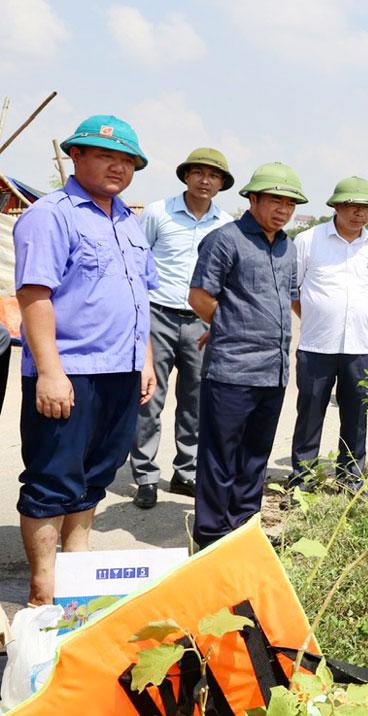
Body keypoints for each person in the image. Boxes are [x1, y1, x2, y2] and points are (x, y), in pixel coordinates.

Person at [12, 115, 157, 604]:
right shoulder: (50, 215)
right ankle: (42, 589)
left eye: (126, 161)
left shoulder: (128, 221)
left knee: (97, 470)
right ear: (76, 156)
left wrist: (146, 360)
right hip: (70, 371)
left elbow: (141, 299)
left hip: (121, 370)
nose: (118, 167)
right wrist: (50, 372)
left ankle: (77, 565)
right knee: (52, 476)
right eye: (105, 156)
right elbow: (35, 297)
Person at [188, 162, 307, 548]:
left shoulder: (287, 247)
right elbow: (200, 297)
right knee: (220, 459)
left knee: (254, 460)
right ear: (252, 199)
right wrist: (228, 327)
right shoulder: (225, 239)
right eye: (275, 200)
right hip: (232, 370)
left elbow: (286, 299)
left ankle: (242, 534)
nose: (283, 210)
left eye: (290, 203)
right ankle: (210, 538)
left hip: (273, 373)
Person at [129, 148, 235, 508]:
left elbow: (225, 278)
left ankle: (185, 472)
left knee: (196, 400)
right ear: (186, 176)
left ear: (222, 184)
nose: (205, 180)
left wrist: (217, 321)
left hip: (200, 323)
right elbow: (138, 264)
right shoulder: (158, 212)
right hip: (158, 315)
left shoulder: (224, 224)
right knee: (149, 398)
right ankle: (145, 475)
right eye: (199, 172)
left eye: (214, 175)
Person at [288, 177, 368, 494]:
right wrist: (317, 316)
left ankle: (350, 480)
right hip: (316, 346)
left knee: (356, 417)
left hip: (360, 348)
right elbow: (294, 290)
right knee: (309, 415)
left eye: (367, 208)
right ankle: (302, 480)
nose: (360, 213)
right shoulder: (308, 240)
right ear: (336, 206)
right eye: (353, 206)